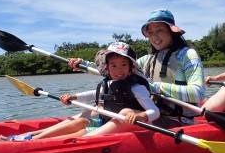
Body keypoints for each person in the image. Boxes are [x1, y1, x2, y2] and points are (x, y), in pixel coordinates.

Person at [73, 9, 205, 129]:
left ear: (171, 31)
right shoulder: (148, 59)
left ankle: (84, 140)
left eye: (159, 30)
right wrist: (83, 65)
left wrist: (155, 87)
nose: (154, 37)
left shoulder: (187, 55)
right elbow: (114, 69)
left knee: (125, 113)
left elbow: (198, 93)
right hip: (151, 116)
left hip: (178, 121)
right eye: (151, 32)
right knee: (96, 109)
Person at [0, 42, 159, 140]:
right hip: (108, 124)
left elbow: (155, 111)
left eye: (124, 65)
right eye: (114, 65)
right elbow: (92, 94)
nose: (119, 70)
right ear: (107, 68)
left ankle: (84, 141)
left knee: (124, 111)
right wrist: (74, 96)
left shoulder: (136, 87)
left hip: (134, 124)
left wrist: (141, 115)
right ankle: (33, 137)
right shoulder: (107, 84)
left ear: (130, 68)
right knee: (88, 116)